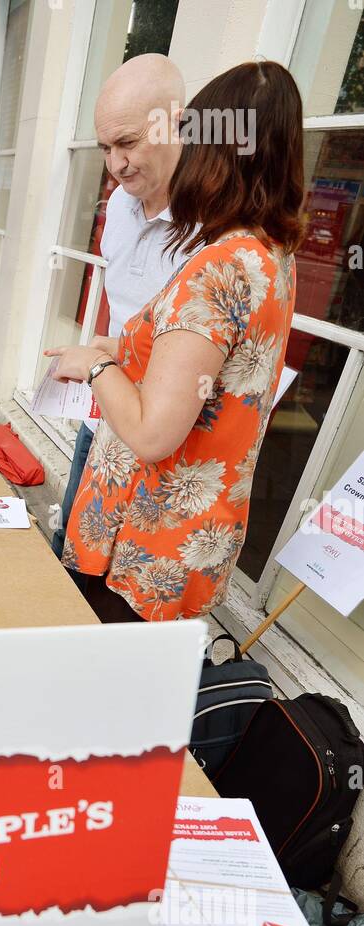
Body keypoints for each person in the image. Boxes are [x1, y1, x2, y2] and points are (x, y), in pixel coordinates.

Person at [50, 61, 303, 623]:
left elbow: (152, 433)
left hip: (144, 543)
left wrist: (94, 365)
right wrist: (123, 351)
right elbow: (200, 365)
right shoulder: (271, 256)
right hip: (190, 536)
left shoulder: (219, 266)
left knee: (90, 681)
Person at [49, 54, 189, 562]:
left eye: (128, 143)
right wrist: (105, 352)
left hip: (167, 443)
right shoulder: (119, 207)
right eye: (106, 147)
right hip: (104, 409)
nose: (115, 163)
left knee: (122, 591)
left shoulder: (215, 232)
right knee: (69, 551)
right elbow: (128, 315)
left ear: (177, 124)